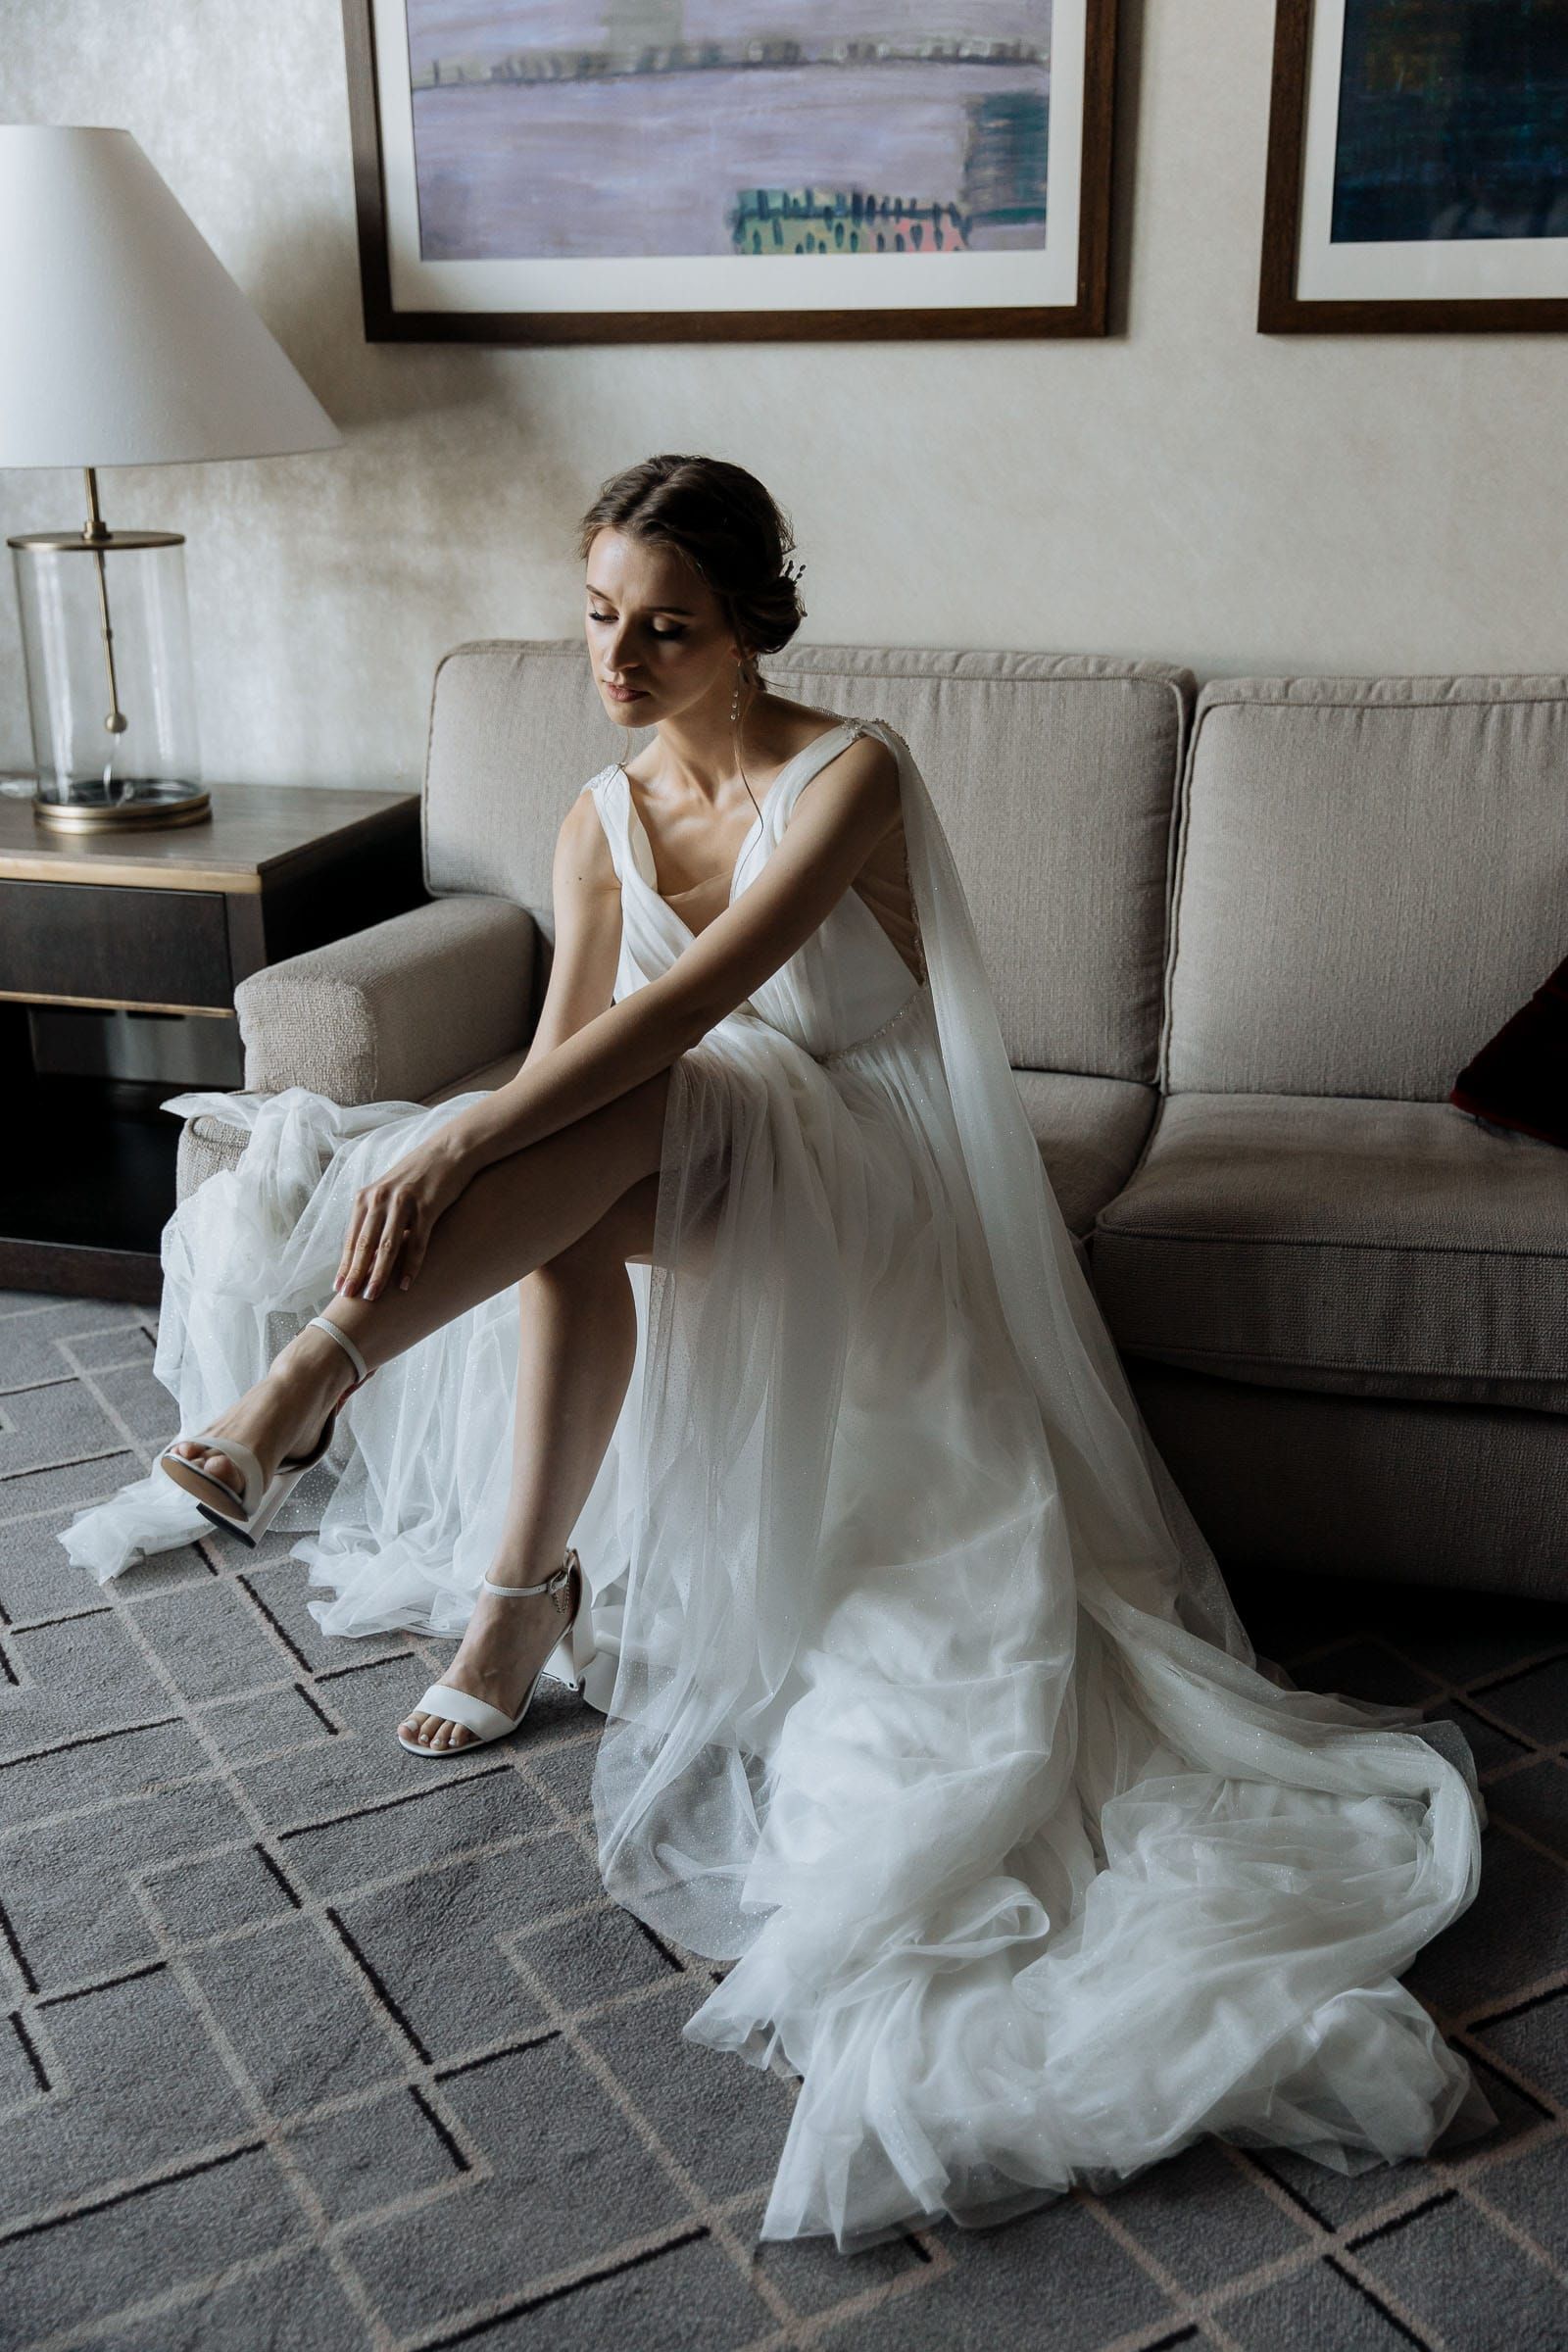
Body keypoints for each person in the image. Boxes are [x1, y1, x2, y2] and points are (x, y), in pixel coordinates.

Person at [62, 454, 1495, 2254]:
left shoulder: (853, 771)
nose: (620, 659)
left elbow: (700, 1003)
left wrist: (454, 1135)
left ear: (751, 627)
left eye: (665, 627)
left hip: (867, 1174)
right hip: (672, 1158)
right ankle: (458, 1533)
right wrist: (473, 1125)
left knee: (595, 1119)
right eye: (597, 618)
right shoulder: (593, 819)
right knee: (560, 1164)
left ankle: (348, 1420)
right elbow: (579, 1047)